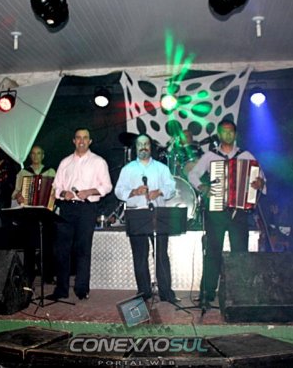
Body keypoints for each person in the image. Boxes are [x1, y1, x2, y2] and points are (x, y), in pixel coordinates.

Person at [188, 119, 266, 309]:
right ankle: (207, 293)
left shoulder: (246, 155)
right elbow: (192, 174)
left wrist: (259, 184)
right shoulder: (210, 156)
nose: (227, 135)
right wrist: (202, 186)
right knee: (212, 252)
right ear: (219, 134)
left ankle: (239, 292)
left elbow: (262, 178)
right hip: (216, 211)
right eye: (224, 131)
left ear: (235, 134)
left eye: (231, 132)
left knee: (240, 252)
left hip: (238, 211)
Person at [114, 134, 179, 303]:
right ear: (135, 148)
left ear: (151, 147)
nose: (143, 147)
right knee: (140, 255)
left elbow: (172, 188)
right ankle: (144, 292)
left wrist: (160, 192)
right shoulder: (127, 169)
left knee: (161, 254)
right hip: (136, 214)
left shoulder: (161, 168)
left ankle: (166, 292)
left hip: (158, 214)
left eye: (146, 144)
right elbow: (118, 191)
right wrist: (134, 192)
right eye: (140, 144)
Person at [50, 127, 112, 300]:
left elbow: (107, 186)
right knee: (62, 249)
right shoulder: (65, 162)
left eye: (85, 138)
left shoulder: (98, 162)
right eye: (78, 137)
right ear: (74, 141)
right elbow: (56, 187)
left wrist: (89, 191)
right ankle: (61, 290)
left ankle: (81, 289)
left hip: (87, 208)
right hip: (67, 208)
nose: (82, 141)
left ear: (90, 141)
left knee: (83, 249)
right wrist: (64, 193)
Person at [11, 144, 57, 284]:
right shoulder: (23, 173)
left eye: (38, 153)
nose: (36, 156)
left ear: (43, 156)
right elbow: (15, 192)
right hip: (29, 212)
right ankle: (28, 276)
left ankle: (48, 275)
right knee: (28, 245)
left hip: (45, 211)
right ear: (30, 156)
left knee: (48, 244)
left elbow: (56, 188)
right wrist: (18, 196)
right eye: (33, 153)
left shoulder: (50, 171)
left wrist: (53, 197)